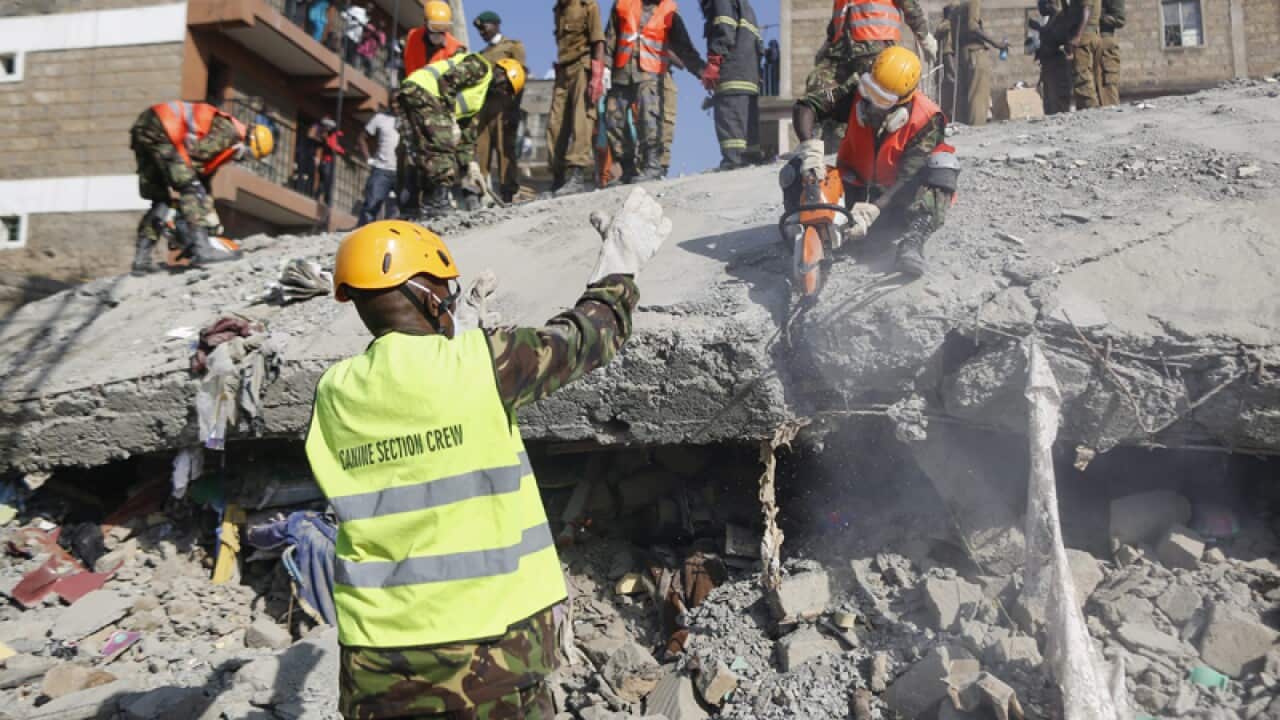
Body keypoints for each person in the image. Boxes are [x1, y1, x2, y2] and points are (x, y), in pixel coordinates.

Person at [305, 187, 671, 719]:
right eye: (446, 291)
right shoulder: (481, 364)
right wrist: (618, 269)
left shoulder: (333, 393)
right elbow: (588, 336)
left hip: (376, 666)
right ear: (428, 296)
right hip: (487, 660)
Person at [796, 47, 958, 277]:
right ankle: (811, 231)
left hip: (896, 200)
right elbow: (807, 106)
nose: (871, 102)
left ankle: (912, 243)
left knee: (943, 163)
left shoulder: (927, 119)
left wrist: (873, 210)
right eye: (869, 90)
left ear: (903, 99)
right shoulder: (855, 91)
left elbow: (908, 177)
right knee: (797, 172)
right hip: (855, 186)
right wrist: (809, 147)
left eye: (882, 99)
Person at [129, 101, 273, 275]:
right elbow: (197, 157)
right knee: (190, 189)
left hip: (145, 127)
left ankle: (141, 260)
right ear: (250, 141)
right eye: (248, 155)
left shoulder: (227, 138)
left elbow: (203, 180)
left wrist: (207, 213)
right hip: (163, 127)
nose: (242, 159)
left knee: (161, 199)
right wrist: (202, 219)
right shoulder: (230, 133)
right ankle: (202, 248)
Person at [396, 53, 527, 218]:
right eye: (506, 86)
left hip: (414, 94)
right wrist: (450, 118)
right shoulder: (480, 66)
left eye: (507, 92)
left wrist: (471, 166)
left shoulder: (478, 99)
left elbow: (467, 138)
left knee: (421, 151)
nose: (503, 92)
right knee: (442, 147)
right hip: (423, 90)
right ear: (501, 72)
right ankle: (438, 202)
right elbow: (446, 82)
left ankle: (412, 204)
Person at [792, 0, 934, 152]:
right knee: (820, 89)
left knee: (878, 95)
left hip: (875, 43)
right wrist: (828, 43)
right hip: (840, 51)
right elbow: (840, 17)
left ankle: (902, 121)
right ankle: (813, 149)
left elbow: (909, 5)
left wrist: (924, 36)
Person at [603, 0, 705, 184]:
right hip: (621, 72)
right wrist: (605, 68)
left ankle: (652, 166)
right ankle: (628, 169)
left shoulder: (669, 10)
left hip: (650, 74)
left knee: (649, 118)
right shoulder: (622, 4)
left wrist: (702, 71)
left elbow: (684, 48)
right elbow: (610, 38)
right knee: (613, 119)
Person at [548, 0, 607, 197]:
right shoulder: (559, 9)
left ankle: (576, 175)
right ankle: (558, 179)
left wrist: (597, 77)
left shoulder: (587, 5)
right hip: (563, 71)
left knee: (581, 122)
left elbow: (598, 41)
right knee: (554, 125)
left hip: (583, 67)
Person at [698, 0, 764, 170]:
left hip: (732, 72)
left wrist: (714, 61)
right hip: (749, 74)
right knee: (747, 128)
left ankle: (733, 162)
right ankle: (749, 160)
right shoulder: (746, 6)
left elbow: (724, 28)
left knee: (730, 121)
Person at [473, 11, 527, 203]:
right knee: (481, 150)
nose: (481, 32)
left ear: (495, 24)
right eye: (479, 29)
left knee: (505, 150)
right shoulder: (481, 55)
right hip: (484, 107)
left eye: (484, 27)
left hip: (505, 105)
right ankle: (482, 193)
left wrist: (514, 108)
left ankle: (508, 193)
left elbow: (520, 77)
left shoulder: (513, 46)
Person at [953, 0, 1008, 126]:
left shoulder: (960, 5)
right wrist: (997, 44)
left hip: (965, 53)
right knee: (979, 98)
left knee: (970, 97)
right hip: (975, 53)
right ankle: (976, 133)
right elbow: (973, 26)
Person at [356, 105, 399, 226]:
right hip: (381, 169)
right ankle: (364, 234)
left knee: (400, 209)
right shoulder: (380, 118)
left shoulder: (409, 119)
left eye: (398, 102)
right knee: (371, 205)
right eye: (393, 102)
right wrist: (369, 159)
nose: (395, 105)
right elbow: (361, 138)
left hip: (401, 171)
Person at [403, 0, 467, 78]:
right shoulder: (413, 36)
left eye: (443, 27)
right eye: (434, 27)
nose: (438, 32)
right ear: (425, 23)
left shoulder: (456, 50)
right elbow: (410, 67)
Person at [1031, 0, 1072, 114]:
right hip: (1048, 67)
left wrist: (1039, 29)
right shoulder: (1050, 20)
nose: (1039, 10)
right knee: (1049, 104)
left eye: (1040, 6)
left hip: (1058, 67)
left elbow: (1058, 39)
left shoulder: (1061, 17)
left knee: (1059, 104)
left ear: (1048, 4)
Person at [1067, 0, 1102, 109]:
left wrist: (1078, 36)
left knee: (1082, 78)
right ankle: (1086, 109)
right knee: (1086, 77)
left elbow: (1086, 10)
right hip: (1088, 34)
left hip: (1084, 36)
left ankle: (1091, 110)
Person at [1097, 0, 1124, 106]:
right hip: (1093, 42)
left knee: (1108, 85)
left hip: (1106, 40)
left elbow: (1120, 20)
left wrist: (1097, 15)